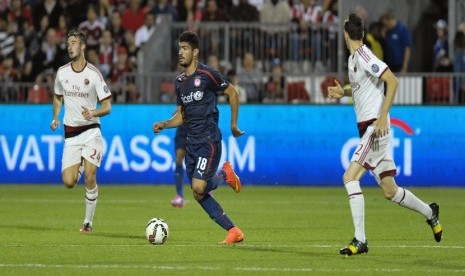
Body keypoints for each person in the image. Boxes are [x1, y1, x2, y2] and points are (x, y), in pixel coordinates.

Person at [327, 14, 442, 256]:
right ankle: (430, 212)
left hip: (374, 128)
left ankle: (360, 240)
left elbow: (392, 80)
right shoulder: (354, 60)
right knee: (390, 190)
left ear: (346, 34)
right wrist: (344, 92)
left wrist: (381, 117)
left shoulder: (365, 56)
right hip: (372, 129)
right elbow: (364, 88)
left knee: (350, 178)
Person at [153, 31, 245, 244]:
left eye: (185, 48)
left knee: (198, 187)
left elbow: (233, 93)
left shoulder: (207, 74)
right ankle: (233, 230)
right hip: (191, 143)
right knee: (198, 194)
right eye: (179, 48)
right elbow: (181, 116)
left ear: (195, 52)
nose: (180, 52)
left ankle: (223, 174)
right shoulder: (179, 82)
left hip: (209, 140)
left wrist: (233, 125)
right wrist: (165, 124)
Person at [50, 29, 112, 233]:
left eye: (74, 43)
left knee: (90, 177)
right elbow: (58, 96)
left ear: (83, 46)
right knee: (69, 182)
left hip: (91, 130)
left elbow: (107, 106)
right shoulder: (62, 73)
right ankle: (79, 166)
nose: (70, 46)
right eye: (68, 43)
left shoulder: (93, 74)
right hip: (71, 134)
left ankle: (88, 223)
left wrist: (94, 112)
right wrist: (56, 117)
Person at [171, 124, 188, 207]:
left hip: (196, 130)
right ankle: (179, 195)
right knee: (178, 160)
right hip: (182, 130)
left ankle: (207, 191)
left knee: (198, 161)